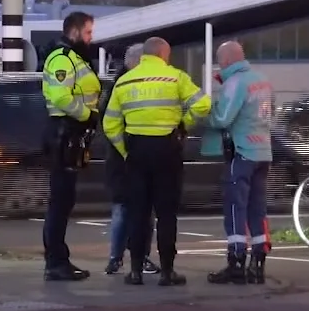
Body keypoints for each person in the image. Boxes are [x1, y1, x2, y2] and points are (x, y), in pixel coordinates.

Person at [101, 37, 209, 287]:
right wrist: (184, 124)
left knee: (138, 213)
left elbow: (110, 123)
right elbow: (203, 105)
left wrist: (124, 149)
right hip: (167, 150)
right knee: (167, 214)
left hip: (136, 152)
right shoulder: (175, 77)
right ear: (164, 55)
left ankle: (136, 271)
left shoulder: (125, 81)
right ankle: (167, 272)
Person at [202, 40, 275, 284]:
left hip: (242, 151)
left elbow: (222, 118)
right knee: (258, 208)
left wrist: (205, 113)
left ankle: (236, 263)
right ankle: (258, 265)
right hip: (263, 151)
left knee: (236, 208)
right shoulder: (262, 79)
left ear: (225, 61)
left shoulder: (236, 82)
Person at [41, 10, 101, 282]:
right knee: (60, 200)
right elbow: (62, 97)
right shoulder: (62, 59)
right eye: (88, 32)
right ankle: (55, 261)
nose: (91, 38)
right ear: (74, 31)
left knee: (65, 200)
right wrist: (87, 114)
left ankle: (58, 259)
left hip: (72, 134)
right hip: (64, 133)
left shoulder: (75, 58)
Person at [103, 43, 157, 277]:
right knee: (142, 210)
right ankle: (140, 257)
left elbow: (108, 122)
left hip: (119, 156)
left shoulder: (117, 84)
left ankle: (116, 259)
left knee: (123, 208)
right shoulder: (135, 84)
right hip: (135, 155)